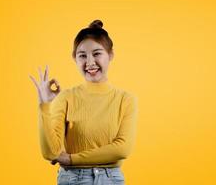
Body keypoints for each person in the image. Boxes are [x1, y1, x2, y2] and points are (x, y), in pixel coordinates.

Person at [30, 19, 138, 185]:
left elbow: (122, 149)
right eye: (82, 56)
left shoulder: (125, 99)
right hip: (73, 179)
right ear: (75, 59)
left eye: (96, 54)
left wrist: (72, 159)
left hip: (111, 179)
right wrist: (44, 106)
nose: (89, 62)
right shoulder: (65, 97)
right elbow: (51, 153)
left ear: (110, 55)